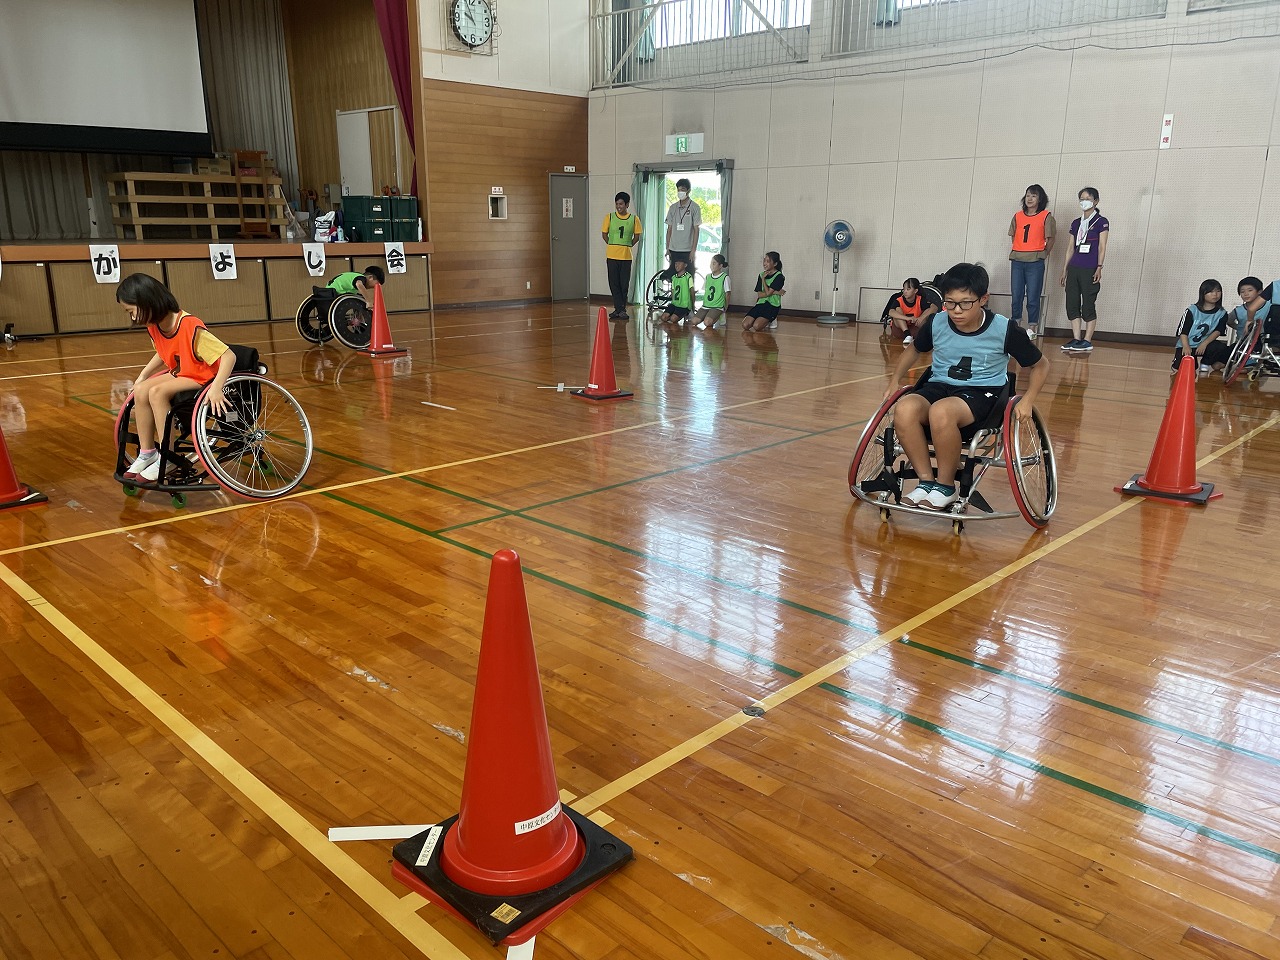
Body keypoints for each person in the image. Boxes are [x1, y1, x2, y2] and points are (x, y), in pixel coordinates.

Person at [883, 262, 1049, 510]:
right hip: (940, 385)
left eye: (965, 303)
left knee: (942, 411)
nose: (956, 310)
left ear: (983, 299)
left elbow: (1041, 365)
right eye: (950, 303)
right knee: (905, 409)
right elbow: (914, 350)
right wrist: (894, 380)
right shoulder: (937, 322)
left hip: (984, 392)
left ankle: (946, 486)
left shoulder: (1003, 329)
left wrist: (1028, 400)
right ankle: (926, 481)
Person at [116, 274, 235, 483]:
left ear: (147, 301)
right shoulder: (154, 326)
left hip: (201, 375)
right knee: (142, 389)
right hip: (182, 373)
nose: (133, 317)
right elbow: (163, 352)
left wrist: (217, 387)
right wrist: (143, 375)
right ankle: (147, 452)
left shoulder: (189, 325)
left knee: (157, 392)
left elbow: (228, 355)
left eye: (132, 311)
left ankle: (167, 456)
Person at [1059, 187, 1108, 353]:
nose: (1083, 201)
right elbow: (1070, 248)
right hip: (1074, 267)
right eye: (1081, 198)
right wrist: (1065, 270)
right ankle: (1076, 338)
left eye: (1087, 198)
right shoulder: (1076, 223)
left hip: (1090, 268)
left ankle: (1087, 340)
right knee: (1072, 302)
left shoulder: (1101, 222)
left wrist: (1099, 267)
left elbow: (1102, 247)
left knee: (1088, 303)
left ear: (1096, 201)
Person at [1008, 184, 1056, 340]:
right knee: (1016, 295)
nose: (1030, 198)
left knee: (1033, 295)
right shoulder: (1017, 216)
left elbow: (1051, 238)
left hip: (1035, 260)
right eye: (1028, 195)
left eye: (1034, 196)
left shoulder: (1046, 216)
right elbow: (1013, 235)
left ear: (1040, 199)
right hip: (1017, 259)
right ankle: (1015, 325)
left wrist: (1043, 254)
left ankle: (1032, 327)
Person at [1173, 279, 1229, 374]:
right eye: (1211, 291)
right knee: (1182, 370)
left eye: (1218, 291)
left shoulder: (1222, 313)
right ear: (1203, 293)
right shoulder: (1191, 310)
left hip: (1204, 345)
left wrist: (1204, 343)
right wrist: (1186, 346)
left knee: (1219, 347)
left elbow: (1218, 331)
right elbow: (1183, 331)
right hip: (1188, 344)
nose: (1215, 294)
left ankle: (1205, 363)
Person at [601, 191, 641, 319]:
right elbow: (604, 235)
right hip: (612, 256)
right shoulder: (609, 217)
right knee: (614, 284)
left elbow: (637, 237)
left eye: (621, 204)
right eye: (617, 204)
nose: (619, 206)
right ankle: (619, 309)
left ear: (627, 204)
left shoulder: (634, 219)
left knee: (624, 284)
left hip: (626, 257)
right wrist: (613, 245)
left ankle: (620, 309)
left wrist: (627, 246)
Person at [881, 278, 939, 344]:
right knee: (897, 310)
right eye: (904, 289)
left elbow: (935, 307)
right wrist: (908, 318)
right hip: (901, 329)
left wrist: (921, 318)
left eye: (908, 289)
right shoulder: (899, 300)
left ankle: (924, 335)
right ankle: (907, 335)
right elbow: (891, 312)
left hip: (915, 327)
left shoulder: (920, 300)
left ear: (915, 291)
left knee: (928, 310)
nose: (905, 291)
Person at [664, 178, 701, 273]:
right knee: (674, 276)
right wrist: (667, 248)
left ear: (689, 190)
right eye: (679, 190)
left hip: (687, 249)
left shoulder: (695, 207)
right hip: (674, 249)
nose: (680, 192)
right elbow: (669, 229)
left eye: (683, 190)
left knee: (689, 277)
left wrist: (693, 250)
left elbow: (696, 230)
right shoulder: (673, 208)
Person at [743, 252, 786, 332]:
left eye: (768, 261)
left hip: (772, 305)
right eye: (764, 261)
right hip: (761, 303)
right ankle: (762, 319)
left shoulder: (779, 277)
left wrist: (763, 280)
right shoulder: (761, 275)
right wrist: (776, 292)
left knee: (757, 326)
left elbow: (768, 293)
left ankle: (772, 319)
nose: (765, 263)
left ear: (775, 263)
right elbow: (759, 295)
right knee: (745, 325)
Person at [693, 254, 730, 329]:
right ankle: (707, 315)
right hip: (706, 305)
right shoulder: (708, 276)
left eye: (714, 263)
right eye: (711, 263)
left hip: (717, 306)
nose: (711, 265)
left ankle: (720, 315)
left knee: (707, 323)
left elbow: (728, 294)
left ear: (720, 266)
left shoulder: (725, 277)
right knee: (694, 321)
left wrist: (725, 308)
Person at [658, 258, 694, 323]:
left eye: (679, 263)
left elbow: (692, 292)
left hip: (684, 305)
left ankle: (687, 313)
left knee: (673, 319)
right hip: (675, 304)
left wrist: (692, 305)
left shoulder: (688, 277)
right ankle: (674, 314)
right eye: (676, 263)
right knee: (663, 318)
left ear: (685, 265)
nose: (677, 265)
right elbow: (673, 291)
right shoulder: (674, 278)